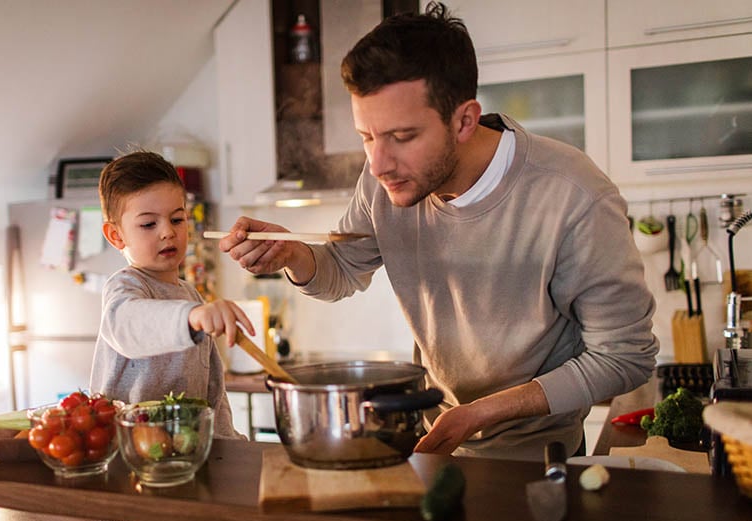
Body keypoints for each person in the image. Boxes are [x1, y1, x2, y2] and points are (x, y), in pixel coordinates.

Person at [217, 2, 658, 460]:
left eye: (402, 137)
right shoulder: (383, 182)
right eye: (367, 136)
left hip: (537, 456)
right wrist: (292, 255)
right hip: (435, 442)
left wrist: (480, 413)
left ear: (464, 120)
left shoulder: (572, 195)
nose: (377, 163)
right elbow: (342, 270)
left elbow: (625, 356)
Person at [90, 149, 252, 438]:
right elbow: (128, 324)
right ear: (116, 235)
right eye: (149, 224)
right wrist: (191, 316)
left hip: (187, 454)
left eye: (177, 219)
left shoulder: (191, 296)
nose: (167, 232)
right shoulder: (124, 287)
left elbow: (213, 391)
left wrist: (229, 444)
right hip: (130, 457)